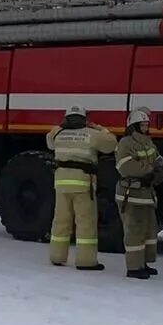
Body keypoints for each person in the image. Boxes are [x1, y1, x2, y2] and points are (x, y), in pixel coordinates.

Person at [46, 105, 117, 270]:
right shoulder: (91, 134)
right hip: (83, 184)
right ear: (85, 119)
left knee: (60, 221)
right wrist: (100, 128)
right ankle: (86, 261)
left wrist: (60, 126)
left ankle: (57, 256)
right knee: (85, 222)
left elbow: (49, 141)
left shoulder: (57, 133)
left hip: (62, 183)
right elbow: (111, 144)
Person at [115, 107, 163, 280]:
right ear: (134, 126)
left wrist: (161, 168)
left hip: (146, 193)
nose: (146, 127)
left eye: (147, 124)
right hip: (131, 194)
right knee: (134, 230)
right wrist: (151, 169)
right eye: (143, 124)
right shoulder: (126, 143)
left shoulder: (147, 142)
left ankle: (143, 262)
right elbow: (126, 167)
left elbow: (157, 157)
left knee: (148, 230)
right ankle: (133, 267)